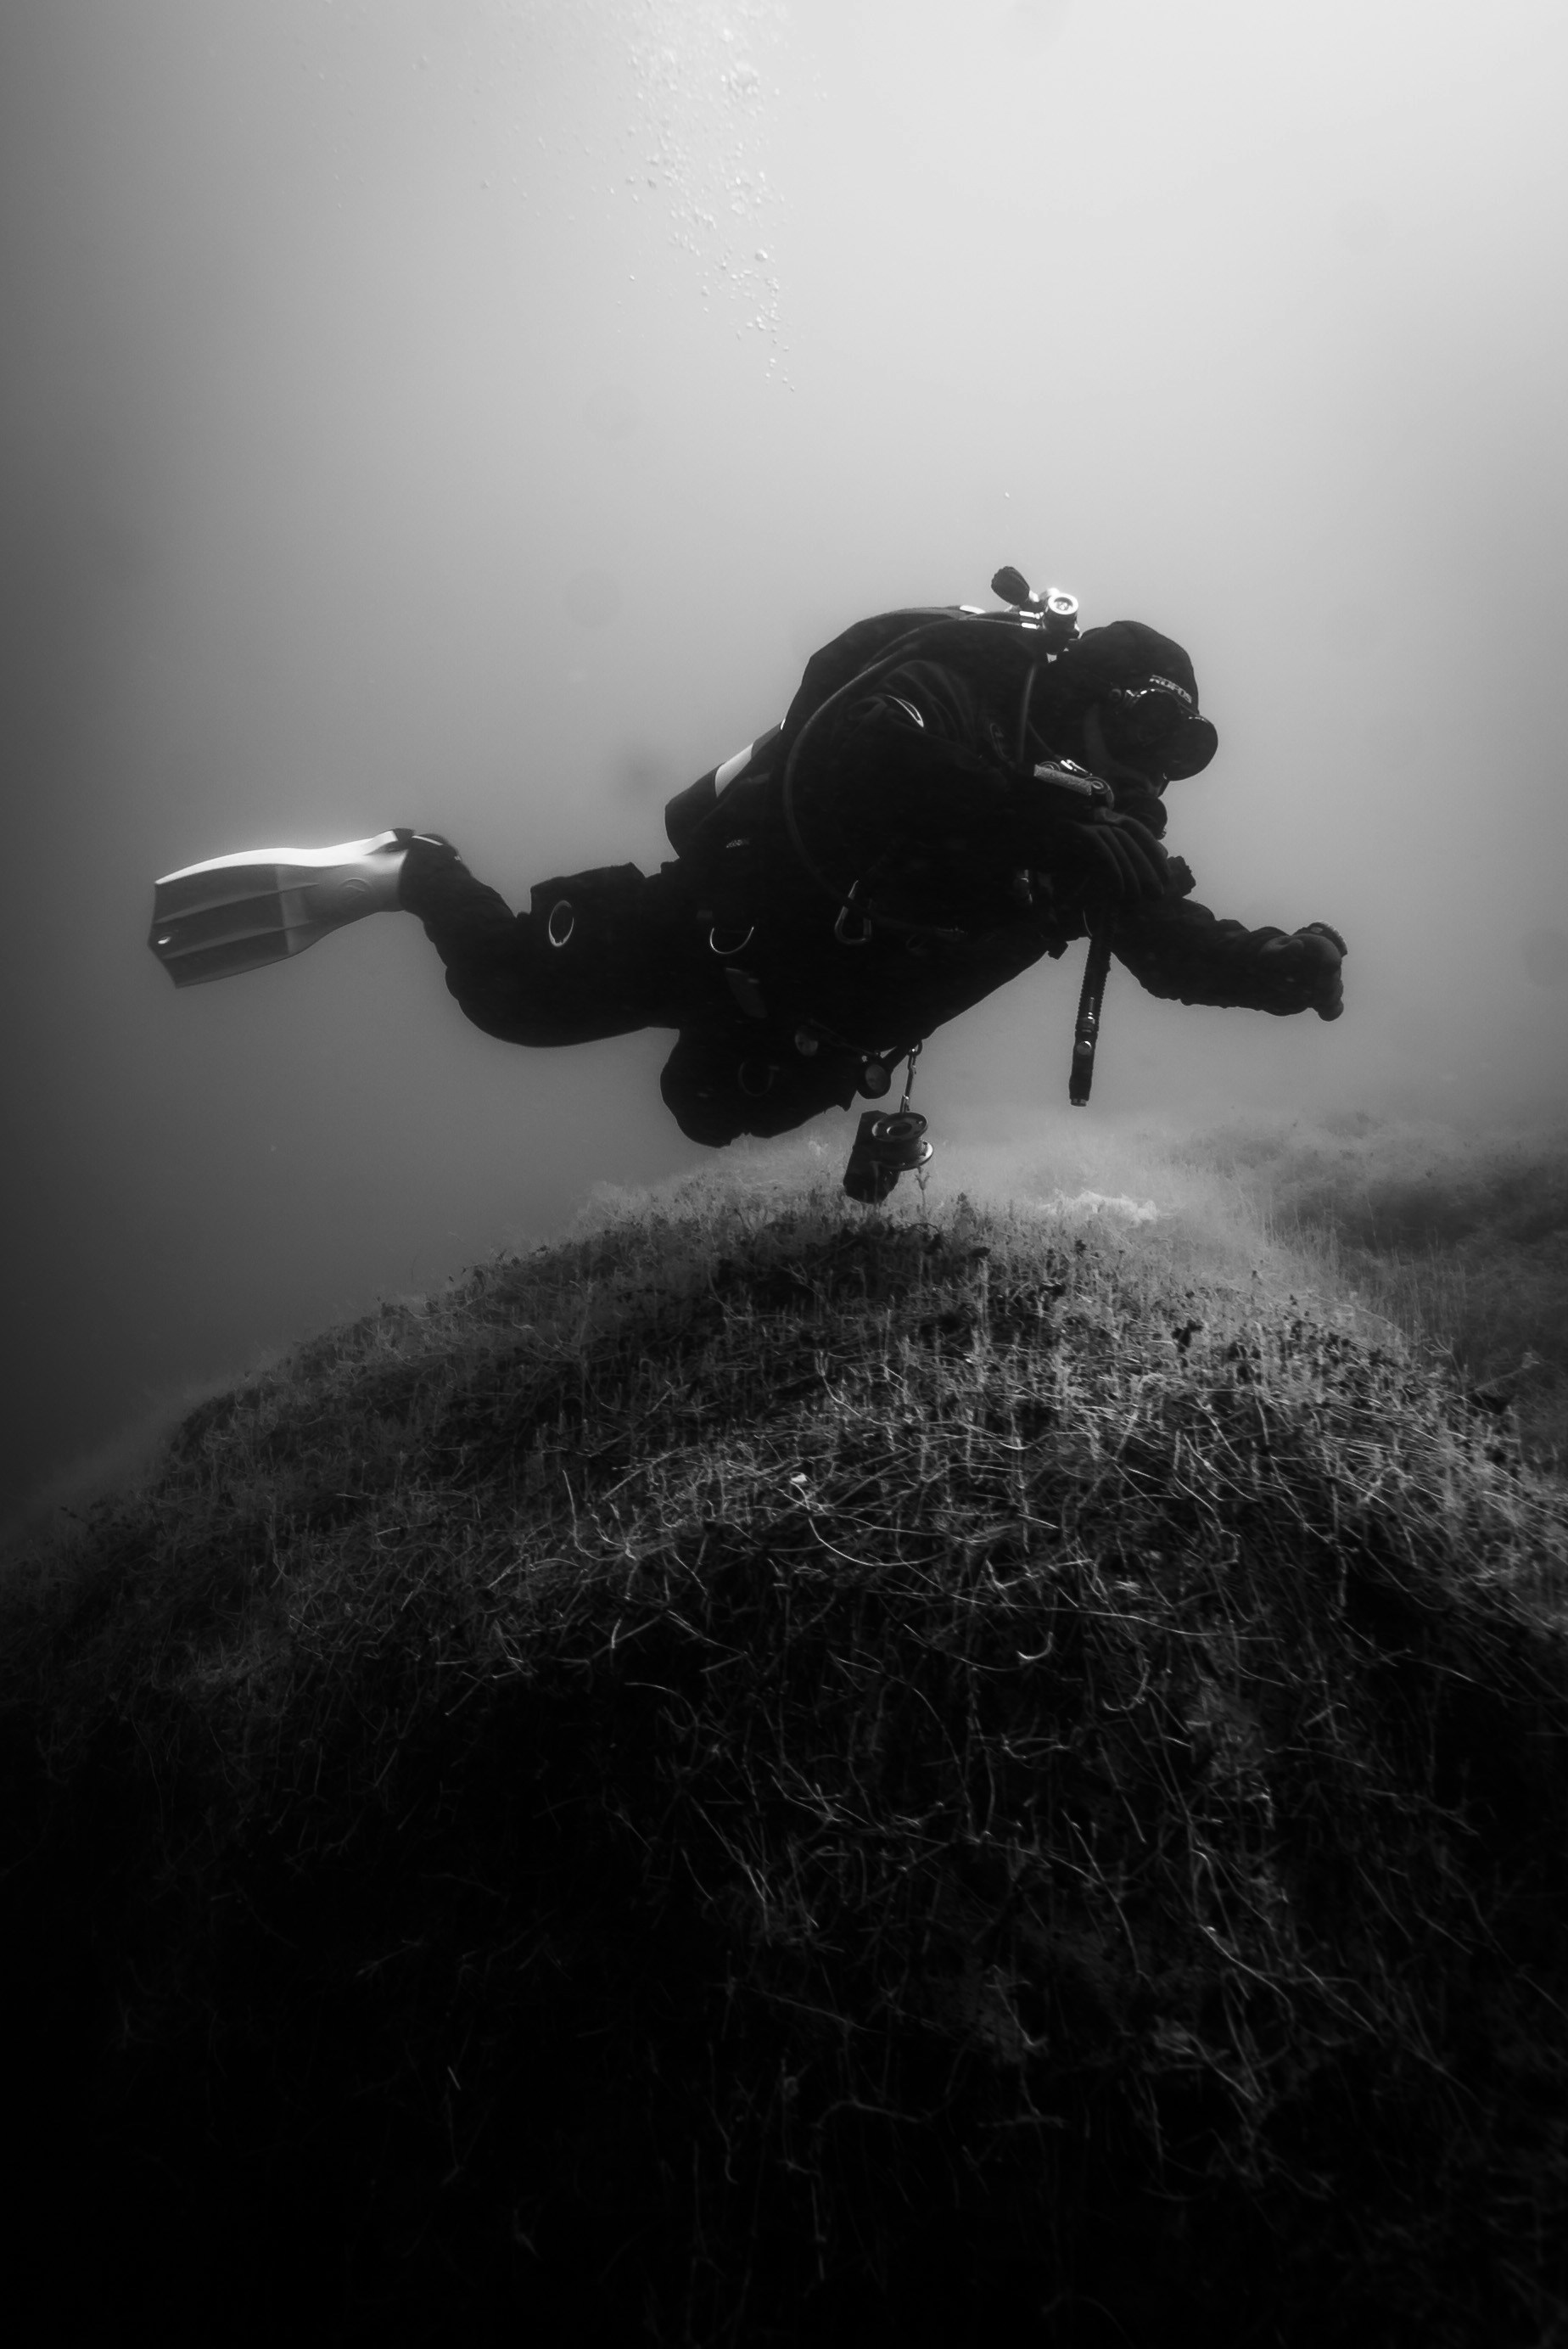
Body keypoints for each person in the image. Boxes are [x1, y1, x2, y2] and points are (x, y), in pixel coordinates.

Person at [149, 578, 1346, 1149]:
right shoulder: (960, 698)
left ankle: (735, 1070)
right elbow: (860, 761)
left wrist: (1283, 969)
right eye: (1140, 725)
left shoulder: (1103, 837)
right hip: (715, 927)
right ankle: (412, 867)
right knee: (505, 1004)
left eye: (1177, 749)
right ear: (1083, 693)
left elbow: (1165, 945)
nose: (1151, 770)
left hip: (812, 1023)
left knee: (709, 1112)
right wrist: (1036, 813)